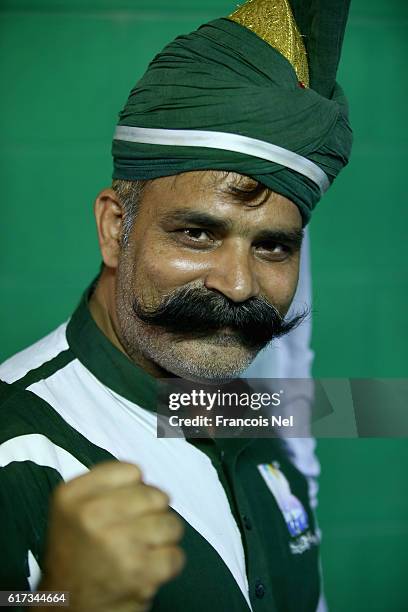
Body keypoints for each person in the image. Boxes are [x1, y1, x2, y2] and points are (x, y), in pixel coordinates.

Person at [0, 0, 352, 610]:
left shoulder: (253, 400)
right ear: (115, 229)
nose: (238, 285)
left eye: (272, 246)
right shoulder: (18, 447)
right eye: (197, 234)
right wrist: (59, 600)